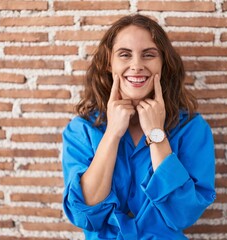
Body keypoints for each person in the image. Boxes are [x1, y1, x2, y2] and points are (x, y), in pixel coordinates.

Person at [62, 14, 216, 239]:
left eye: (149, 55)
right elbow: (85, 213)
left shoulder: (192, 129)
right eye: (124, 55)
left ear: (163, 64)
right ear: (109, 63)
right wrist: (113, 133)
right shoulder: (81, 130)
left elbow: (183, 214)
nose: (136, 65)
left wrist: (157, 135)